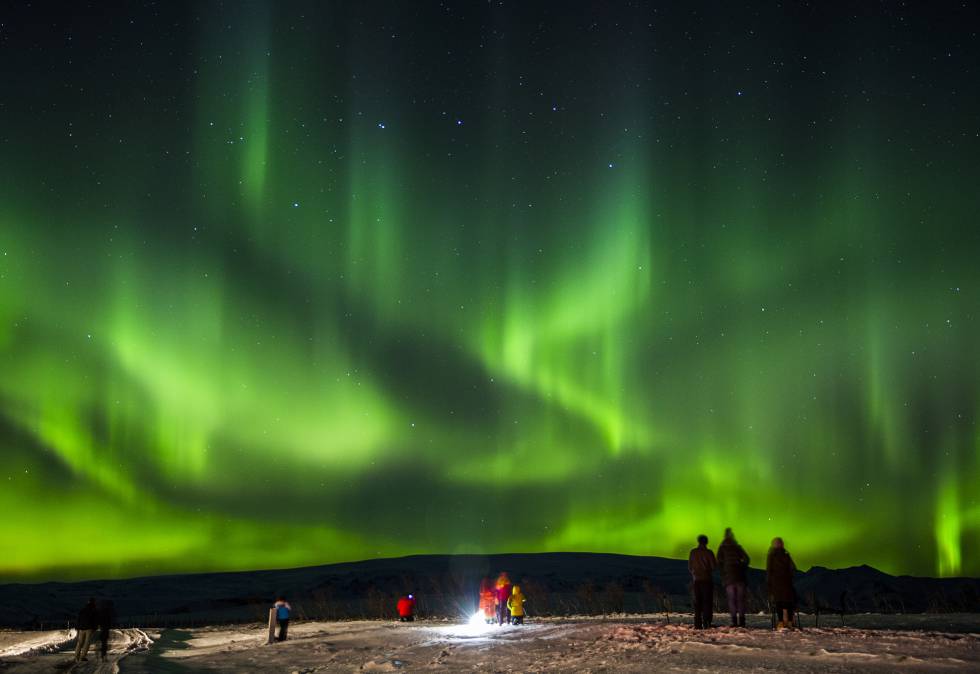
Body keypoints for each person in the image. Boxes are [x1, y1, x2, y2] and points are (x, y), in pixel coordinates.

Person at [716, 528, 750, 627]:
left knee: (732, 600)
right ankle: (742, 621)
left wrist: (723, 570)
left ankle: (734, 621)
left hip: (728, 577)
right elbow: (747, 559)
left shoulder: (722, 548)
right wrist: (742, 567)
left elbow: (719, 561)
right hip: (740, 576)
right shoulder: (737, 547)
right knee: (740, 599)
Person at [766, 537, 797, 629]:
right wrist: (789, 576)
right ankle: (789, 622)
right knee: (788, 602)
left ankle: (781, 622)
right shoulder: (786, 554)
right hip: (786, 582)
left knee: (779, 602)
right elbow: (793, 567)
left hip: (777, 582)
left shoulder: (771, 555)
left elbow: (769, 570)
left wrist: (769, 583)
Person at [688, 534, 717, 629]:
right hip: (707, 579)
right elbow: (714, 566)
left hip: (696, 580)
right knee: (707, 601)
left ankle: (697, 623)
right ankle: (707, 622)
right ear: (706, 542)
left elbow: (690, 566)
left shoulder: (693, 552)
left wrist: (694, 573)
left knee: (698, 602)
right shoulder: (709, 552)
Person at [74, 598, 99, 663]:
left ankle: (76, 656)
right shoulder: (94, 610)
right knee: (87, 643)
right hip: (89, 628)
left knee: (79, 643)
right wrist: (95, 628)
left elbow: (78, 619)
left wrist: (77, 627)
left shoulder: (82, 610)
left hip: (81, 628)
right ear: (93, 603)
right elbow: (95, 620)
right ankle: (82, 657)